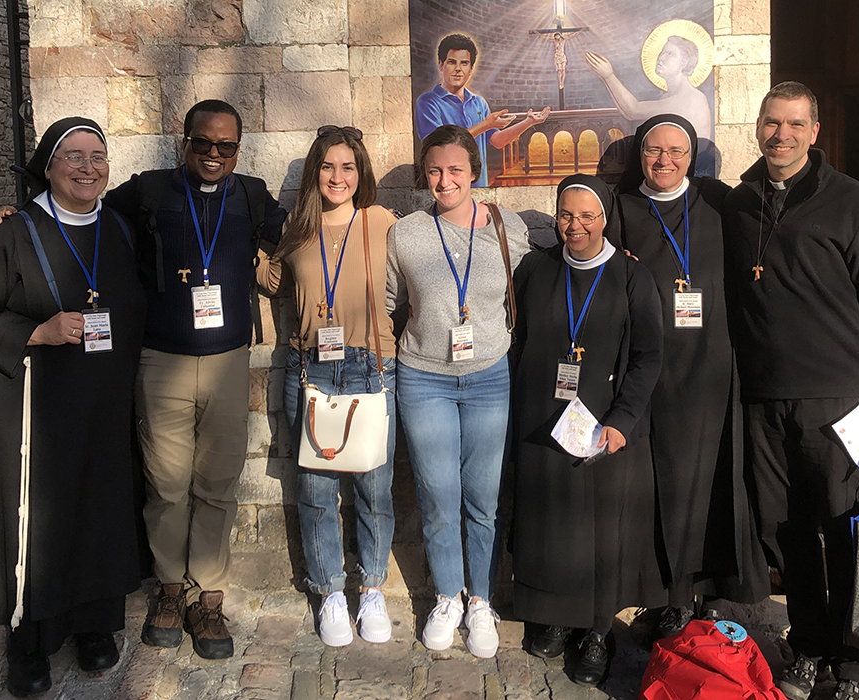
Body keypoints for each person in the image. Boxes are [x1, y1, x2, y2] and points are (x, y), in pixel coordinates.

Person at [723, 81, 859, 700]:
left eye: (795, 124)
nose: (782, 135)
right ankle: (807, 644)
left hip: (843, 400)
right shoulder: (740, 202)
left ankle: (856, 664)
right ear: (757, 126)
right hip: (763, 400)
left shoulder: (851, 202)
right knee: (786, 531)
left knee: (848, 530)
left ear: (815, 131)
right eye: (772, 123)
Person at [0, 117, 146, 697]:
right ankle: (30, 642)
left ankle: (94, 628)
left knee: (99, 514)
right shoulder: (17, 231)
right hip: (35, 405)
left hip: (103, 404)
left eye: (98, 156)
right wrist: (39, 331)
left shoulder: (121, 227)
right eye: (74, 156)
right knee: (41, 522)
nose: (88, 167)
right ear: (49, 167)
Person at [102, 100, 285, 659]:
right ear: (185, 143)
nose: (213, 153)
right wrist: (19, 215)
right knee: (165, 483)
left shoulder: (252, 197)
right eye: (203, 143)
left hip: (228, 360)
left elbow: (307, 234)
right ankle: (168, 588)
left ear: (238, 150)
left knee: (217, 483)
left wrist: (378, 222)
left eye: (225, 146)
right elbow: (78, 211)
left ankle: (207, 597)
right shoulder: (148, 192)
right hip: (161, 360)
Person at [611, 114, 768, 640]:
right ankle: (672, 594)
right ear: (641, 153)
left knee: (713, 479)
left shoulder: (719, 200)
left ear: (692, 155)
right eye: (655, 151)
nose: (665, 162)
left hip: (712, 365)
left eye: (677, 152)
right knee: (662, 485)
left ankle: (712, 589)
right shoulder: (622, 207)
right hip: (653, 368)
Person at [510, 174, 664, 688]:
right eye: (565, 215)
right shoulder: (536, 268)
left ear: (605, 219)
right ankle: (556, 616)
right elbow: (521, 339)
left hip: (604, 423)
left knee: (601, 532)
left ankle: (597, 631)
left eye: (586, 216)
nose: (574, 226)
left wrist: (623, 421)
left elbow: (648, 356)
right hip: (544, 418)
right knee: (551, 524)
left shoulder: (630, 276)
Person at [386, 124, 530, 658]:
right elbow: (388, 300)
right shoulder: (406, 234)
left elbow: (549, 267)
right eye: (434, 170)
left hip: (490, 374)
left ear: (474, 171)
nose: (444, 180)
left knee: (483, 496)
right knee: (438, 494)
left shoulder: (505, 225)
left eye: (454, 170)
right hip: (424, 377)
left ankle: (482, 601)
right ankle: (448, 595)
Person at [259, 125, 398, 647]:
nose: (337, 177)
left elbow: (422, 271)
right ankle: (330, 591)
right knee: (316, 491)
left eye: (348, 167)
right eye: (327, 166)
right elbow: (272, 280)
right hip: (310, 368)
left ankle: (373, 589)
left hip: (371, 368)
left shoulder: (381, 222)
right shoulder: (298, 225)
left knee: (374, 489)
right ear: (314, 172)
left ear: (360, 173)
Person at [415, 33, 551, 187]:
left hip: (480, 186)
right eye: (452, 62)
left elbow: (497, 141)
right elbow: (441, 146)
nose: (458, 69)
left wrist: (528, 122)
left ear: (471, 68)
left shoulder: (478, 102)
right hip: (448, 188)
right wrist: (486, 124)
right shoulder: (428, 102)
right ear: (441, 64)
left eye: (464, 63)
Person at [585, 36, 712, 141]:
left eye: (670, 54)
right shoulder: (668, 96)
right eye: (662, 52)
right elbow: (627, 114)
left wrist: (609, 76)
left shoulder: (690, 98)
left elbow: (633, 110)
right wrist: (605, 77)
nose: (661, 57)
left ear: (683, 63)